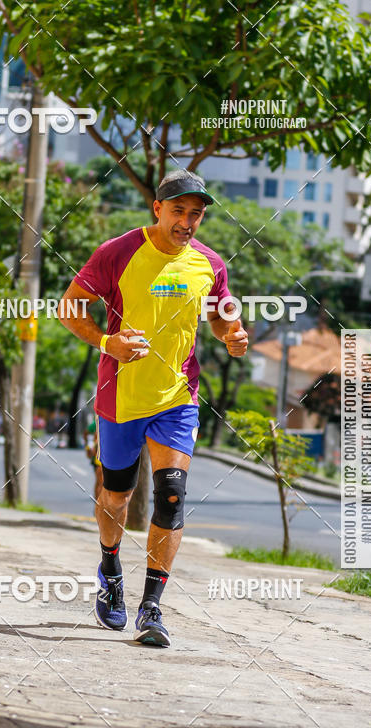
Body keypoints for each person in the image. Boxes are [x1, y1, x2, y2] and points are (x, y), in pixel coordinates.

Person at [58, 169, 248, 648]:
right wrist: (107, 341)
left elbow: (223, 315)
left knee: (170, 496)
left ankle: (152, 607)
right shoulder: (117, 252)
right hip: (121, 397)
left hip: (177, 397)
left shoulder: (209, 263)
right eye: (179, 211)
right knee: (117, 495)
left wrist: (234, 336)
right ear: (157, 209)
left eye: (196, 214)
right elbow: (70, 306)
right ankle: (110, 568)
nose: (187, 221)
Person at [84, 419, 103, 500]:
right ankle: (98, 503)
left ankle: (98, 503)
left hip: (101, 457)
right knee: (101, 482)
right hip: (99, 459)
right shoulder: (97, 423)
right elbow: (86, 434)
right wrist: (88, 447)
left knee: (100, 482)